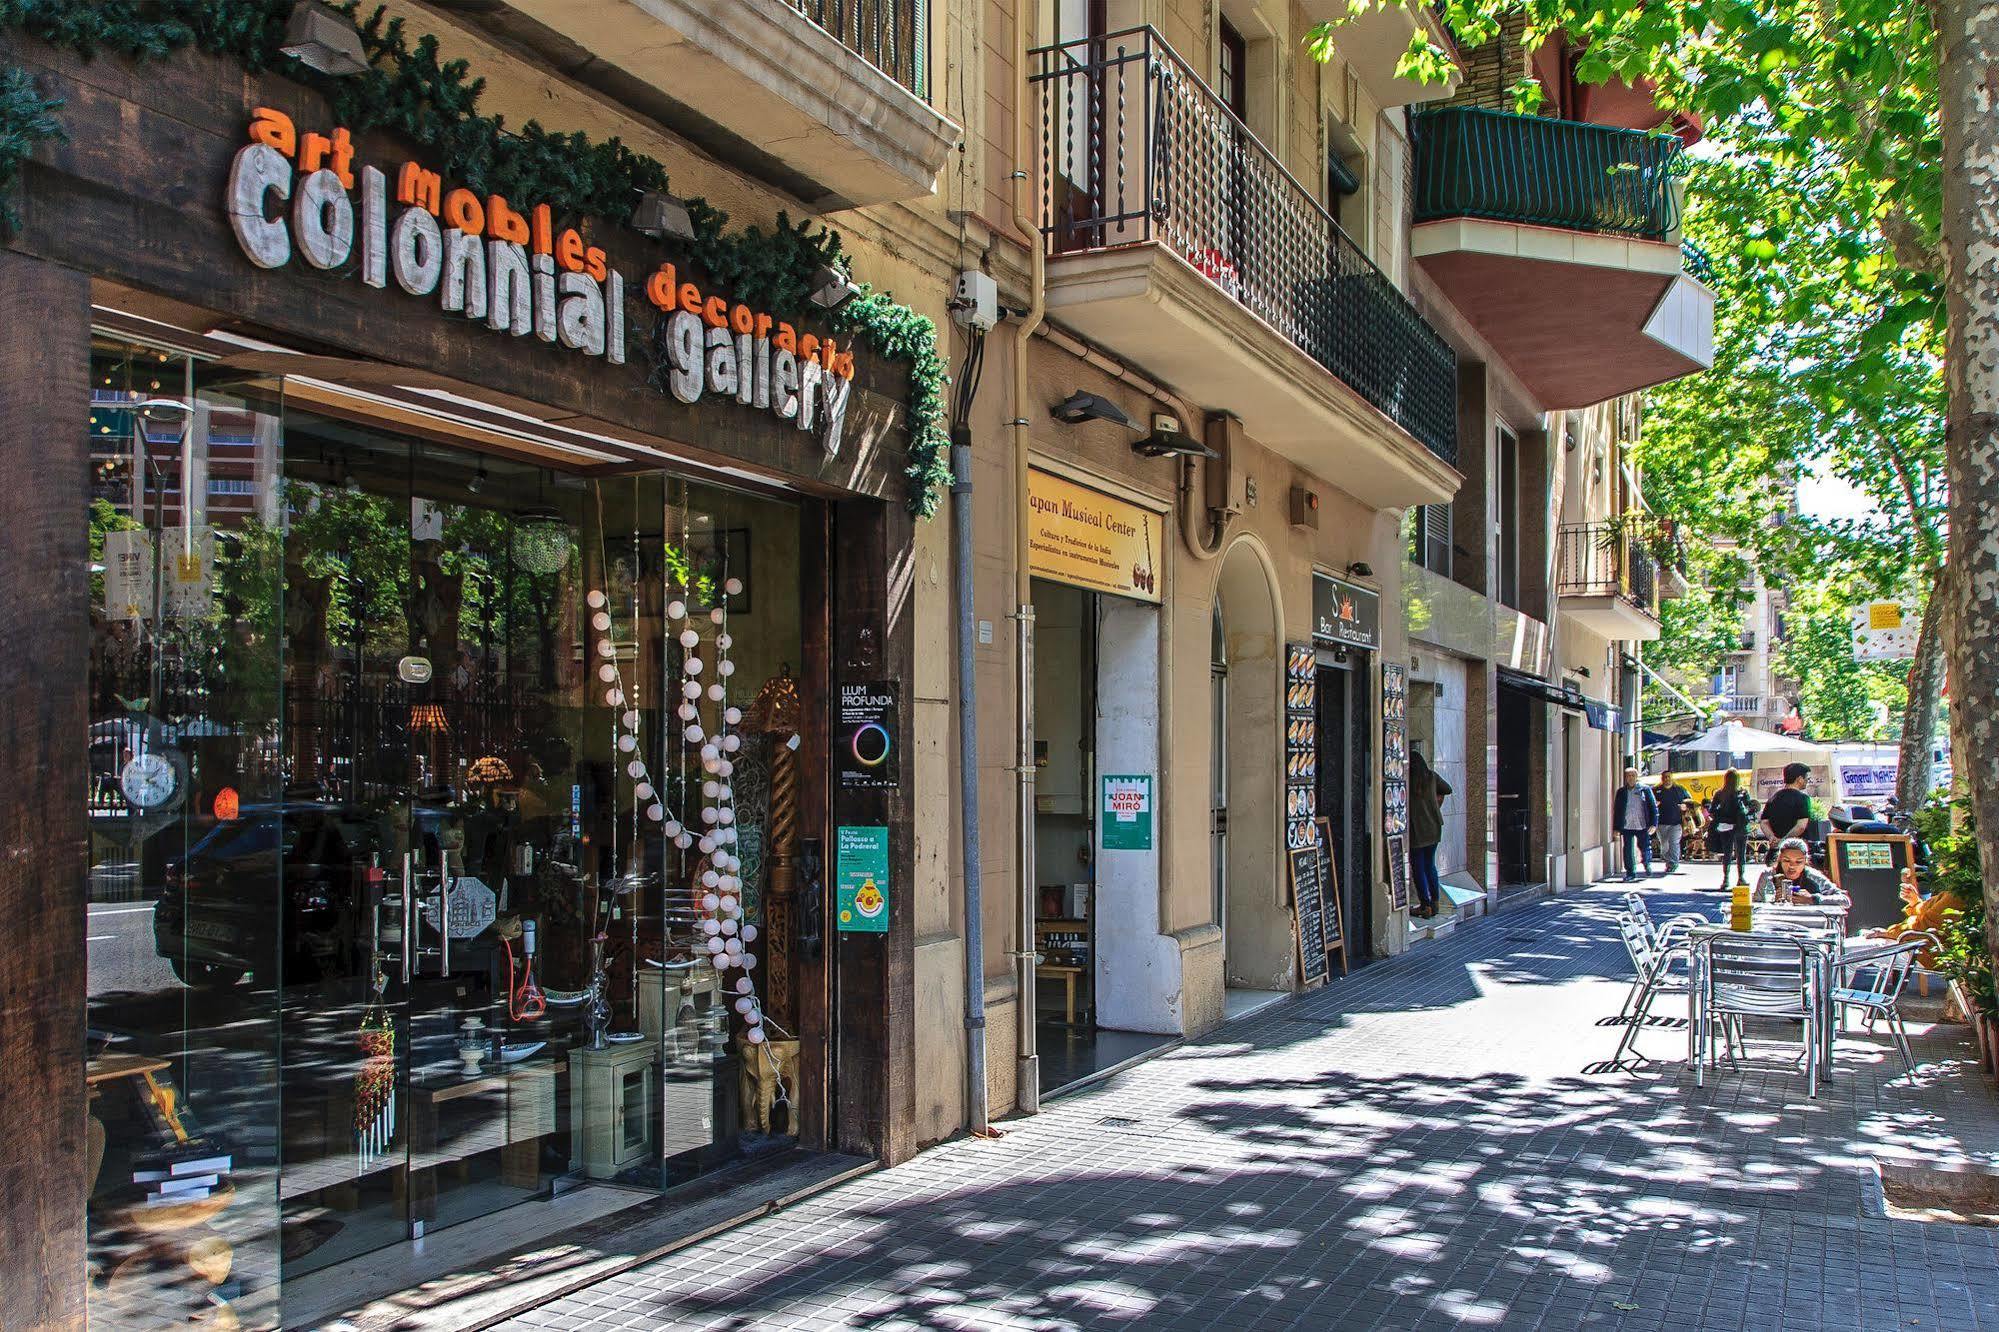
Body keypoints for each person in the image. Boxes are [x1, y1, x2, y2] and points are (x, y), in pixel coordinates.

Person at [1408, 751, 1451, 919]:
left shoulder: (1409, 780)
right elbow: (1447, 789)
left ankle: (1425, 904)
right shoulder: (1431, 777)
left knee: (1418, 866)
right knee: (1430, 865)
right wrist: (1437, 802)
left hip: (1417, 830)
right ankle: (1435, 902)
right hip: (1434, 827)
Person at [1708, 767, 1757, 891]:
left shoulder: (1720, 793)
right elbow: (1749, 808)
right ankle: (1741, 878)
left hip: (1726, 827)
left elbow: (1712, 811)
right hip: (1740, 827)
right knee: (1741, 853)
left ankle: (1726, 879)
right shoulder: (1742, 792)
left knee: (1727, 853)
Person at [1755, 837, 1842, 904]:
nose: (1792, 866)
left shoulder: (1813, 876)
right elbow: (1757, 903)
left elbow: (1844, 900)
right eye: (1787, 860)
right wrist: (1772, 901)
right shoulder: (1768, 875)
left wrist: (1813, 899)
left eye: (1798, 862)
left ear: (1805, 861)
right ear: (1780, 859)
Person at [1759, 762, 1815, 857]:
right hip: (1795, 849)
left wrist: (1772, 838)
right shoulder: (1803, 798)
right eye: (1807, 778)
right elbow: (1801, 826)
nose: (1807, 781)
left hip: (1776, 852)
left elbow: (1764, 822)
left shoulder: (1773, 798)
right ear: (1799, 779)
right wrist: (1783, 840)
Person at [1612, 767, 1657, 881]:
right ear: (1625, 778)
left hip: (1641, 824)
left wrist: (1653, 824)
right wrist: (1616, 828)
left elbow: (1653, 807)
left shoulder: (1644, 790)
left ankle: (1647, 863)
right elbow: (1617, 810)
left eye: (1633, 775)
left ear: (1636, 777)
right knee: (1627, 849)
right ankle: (1630, 872)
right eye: (1628, 776)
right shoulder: (1621, 792)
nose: (1630, 778)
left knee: (1645, 847)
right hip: (1627, 824)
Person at [1654, 770, 1694, 873]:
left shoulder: (1679, 790)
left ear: (1672, 778)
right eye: (1665, 777)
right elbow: (1648, 804)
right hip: (1661, 823)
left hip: (1676, 823)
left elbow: (1690, 801)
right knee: (1664, 845)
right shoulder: (1656, 790)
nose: (1667, 779)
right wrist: (1654, 805)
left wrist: (1685, 806)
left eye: (1668, 777)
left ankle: (1673, 863)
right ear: (1662, 779)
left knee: (1674, 843)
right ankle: (1669, 862)